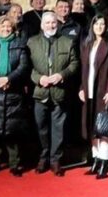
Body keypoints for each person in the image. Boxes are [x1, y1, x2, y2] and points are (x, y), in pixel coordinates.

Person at [27, 12, 80, 176]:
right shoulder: (32, 42)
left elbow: (75, 63)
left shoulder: (67, 42)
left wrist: (62, 75)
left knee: (58, 129)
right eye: (48, 23)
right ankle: (43, 157)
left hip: (59, 92)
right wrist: (38, 78)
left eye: (53, 23)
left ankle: (56, 160)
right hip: (40, 91)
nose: (51, 25)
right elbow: (27, 66)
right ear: (42, 25)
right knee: (41, 127)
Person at [0, 15, 30, 176]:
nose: (6, 29)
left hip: (13, 92)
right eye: (3, 26)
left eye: (9, 26)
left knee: (13, 130)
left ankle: (14, 163)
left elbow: (23, 66)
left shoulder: (20, 45)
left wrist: (9, 79)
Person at [78, 15, 108, 179]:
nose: (100, 26)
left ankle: (104, 162)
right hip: (89, 92)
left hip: (103, 92)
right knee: (92, 128)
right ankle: (95, 159)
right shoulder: (88, 44)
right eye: (97, 23)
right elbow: (84, 70)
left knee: (104, 129)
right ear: (92, 26)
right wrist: (82, 88)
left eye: (103, 24)